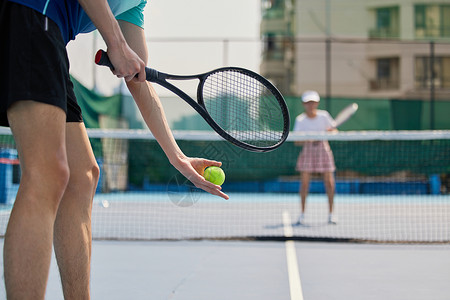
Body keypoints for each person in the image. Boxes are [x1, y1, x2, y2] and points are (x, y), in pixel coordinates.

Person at [0, 0, 229, 299]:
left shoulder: (134, 4)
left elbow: (140, 80)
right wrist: (116, 43)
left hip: (44, 31)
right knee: (47, 174)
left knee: (83, 175)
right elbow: (121, 48)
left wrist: (178, 157)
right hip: (28, 13)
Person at [293, 90, 337, 225]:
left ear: (317, 103)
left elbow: (335, 132)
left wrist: (331, 132)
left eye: (313, 102)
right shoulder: (300, 120)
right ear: (303, 104)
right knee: (304, 184)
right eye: (308, 102)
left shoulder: (324, 116)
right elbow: (296, 141)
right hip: (308, 151)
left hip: (324, 150)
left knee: (329, 183)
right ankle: (302, 214)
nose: (310, 105)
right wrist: (309, 139)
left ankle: (331, 214)